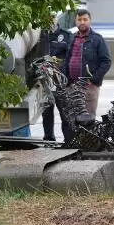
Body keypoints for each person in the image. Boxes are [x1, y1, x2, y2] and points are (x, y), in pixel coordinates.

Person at [62, 9, 111, 139]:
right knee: (72, 118)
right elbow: (68, 59)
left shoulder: (97, 39)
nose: (82, 22)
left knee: (88, 118)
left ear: (90, 21)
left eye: (85, 19)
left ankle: (89, 147)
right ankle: (74, 145)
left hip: (89, 86)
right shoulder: (72, 37)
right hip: (72, 86)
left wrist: (94, 79)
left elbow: (106, 62)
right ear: (76, 21)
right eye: (79, 19)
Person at [42, 13, 70, 141]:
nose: (50, 19)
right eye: (48, 16)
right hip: (44, 81)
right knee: (46, 112)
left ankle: (69, 139)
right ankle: (49, 138)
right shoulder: (40, 35)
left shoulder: (66, 35)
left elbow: (70, 57)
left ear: (57, 18)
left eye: (52, 16)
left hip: (60, 81)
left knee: (65, 112)